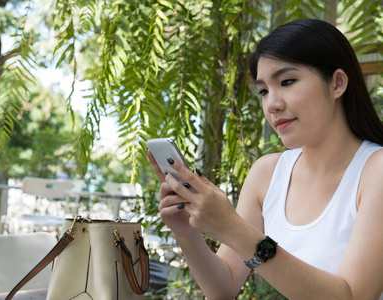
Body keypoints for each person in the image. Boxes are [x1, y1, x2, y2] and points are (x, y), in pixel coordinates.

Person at [147, 18, 383, 299]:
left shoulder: (375, 171)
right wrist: (185, 232)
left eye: (287, 81)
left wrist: (233, 229)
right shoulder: (268, 174)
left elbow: (351, 296)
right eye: (263, 90)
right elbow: (224, 288)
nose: (272, 104)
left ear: (337, 84)